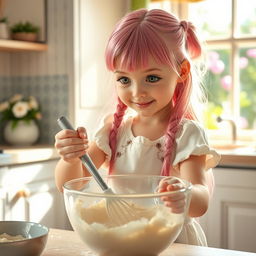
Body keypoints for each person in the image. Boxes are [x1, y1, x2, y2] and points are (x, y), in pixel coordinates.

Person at [54, 8, 220, 246]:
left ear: (181, 72)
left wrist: (183, 194)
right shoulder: (114, 129)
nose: (136, 92)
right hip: (122, 236)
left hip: (172, 242)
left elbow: (201, 201)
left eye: (151, 78)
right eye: (124, 79)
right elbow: (67, 184)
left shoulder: (187, 134)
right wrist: (69, 158)